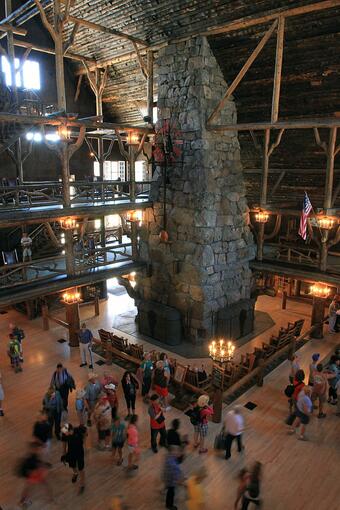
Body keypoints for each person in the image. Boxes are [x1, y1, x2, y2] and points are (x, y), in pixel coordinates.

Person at [18, 441, 53, 508]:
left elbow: (37, 463)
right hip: (34, 475)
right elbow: (35, 465)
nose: (39, 450)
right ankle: (23, 501)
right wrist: (43, 466)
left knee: (29, 487)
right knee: (30, 487)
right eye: (37, 449)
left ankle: (22, 500)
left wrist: (43, 465)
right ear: (33, 449)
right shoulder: (31, 458)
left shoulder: (33, 456)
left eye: (38, 448)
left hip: (35, 474)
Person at [61, 423, 87, 494]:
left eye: (66, 432)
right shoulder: (65, 434)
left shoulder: (78, 431)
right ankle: (75, 473)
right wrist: (63, 454)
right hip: (71, 453)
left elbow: (85, 433)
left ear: (71, 430)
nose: (65, 434)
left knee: (81, 468)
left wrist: (84, 442)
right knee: (72, 465)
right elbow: (64, 443)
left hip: (79, 453)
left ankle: (82, 484)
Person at [163, 445, 184, 510]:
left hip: (169, 479)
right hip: (171, 480)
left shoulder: (170, 457)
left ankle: (168, 504)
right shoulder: (171, 462)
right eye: (175, 451)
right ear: (171, 452)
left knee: (170, 491)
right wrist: (178, 480)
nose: (177, 452)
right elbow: (174, 471)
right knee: (171, 493)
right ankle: (169, 505)